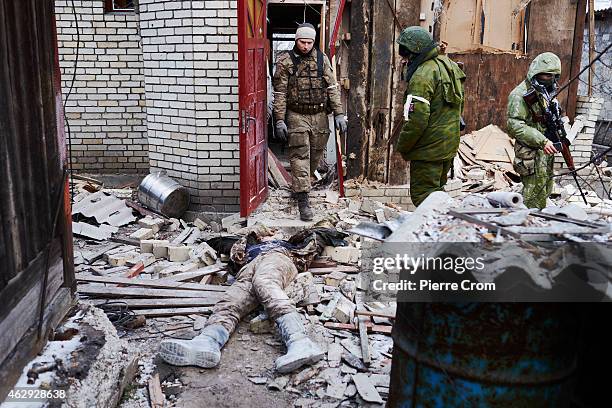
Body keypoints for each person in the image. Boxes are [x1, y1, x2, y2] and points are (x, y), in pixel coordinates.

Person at [159, 226, 347, 374]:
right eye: (265, 236)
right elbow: (221, 241)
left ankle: (300, 341)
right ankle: (208, 341)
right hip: (248, 266)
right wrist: (254, 234)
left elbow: (320, 235)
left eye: (272, 235)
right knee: (232, 299)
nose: (268, 237)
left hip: (278, 260)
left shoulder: (286, 246)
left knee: (265, 282)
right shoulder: (249, 247)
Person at [273, 23, 347, 221]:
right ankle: (303, 201)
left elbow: (332, 87)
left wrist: (339, 113)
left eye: (309, 42)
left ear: (313, 41)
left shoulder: (322, 60)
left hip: (320, 115)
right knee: (300, 154)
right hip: (296, 114)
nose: (305, 46)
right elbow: (280, 93)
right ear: (296, 40)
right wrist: (280, 120)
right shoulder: (285, 61)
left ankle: (301, 184)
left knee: (315, 154)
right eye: (302, 41)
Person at [394, 26, 466, 207]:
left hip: (428, 150)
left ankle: (437, 234)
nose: (404, 59)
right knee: (438, 193)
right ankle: (444, 230)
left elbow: (417, 119)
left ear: (414, 51)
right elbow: (460, 105)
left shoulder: (422, 75)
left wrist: (403, 146)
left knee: (424, 197)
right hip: (448, 145)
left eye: (406, 54)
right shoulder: (449, 66)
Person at [507, 52, 562, 209]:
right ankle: (526, 227)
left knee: (544, 191)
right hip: (530, 153)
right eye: (545, 75)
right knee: (532, 197)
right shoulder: (519, 94)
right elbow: (514, 126)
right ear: (536, 73)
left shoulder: (544, 93)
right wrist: (541, 140)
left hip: (545, 152)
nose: (550, 79)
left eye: (553, 76)